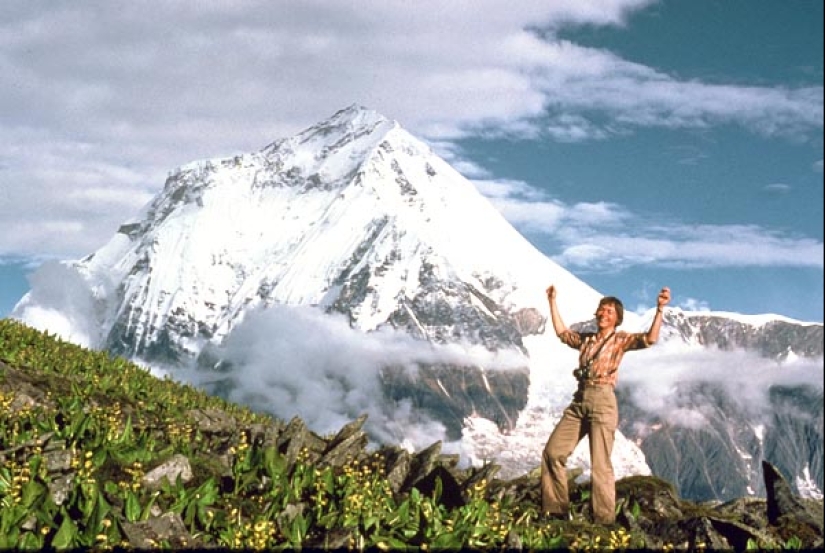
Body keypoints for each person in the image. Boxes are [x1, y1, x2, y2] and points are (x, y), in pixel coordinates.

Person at [541, 285, 671, 525]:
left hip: (603, 399)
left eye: (609, 312)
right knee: (553, 453)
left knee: (600, 464)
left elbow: (650, 339)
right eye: (601, 310)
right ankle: (556, 511)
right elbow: (562, 333)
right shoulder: (586, 339)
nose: (603, 314)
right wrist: (552, 302)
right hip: (580, 399)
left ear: (617, 319)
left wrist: (660, 309)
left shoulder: (620, 340)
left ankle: (604, 520)